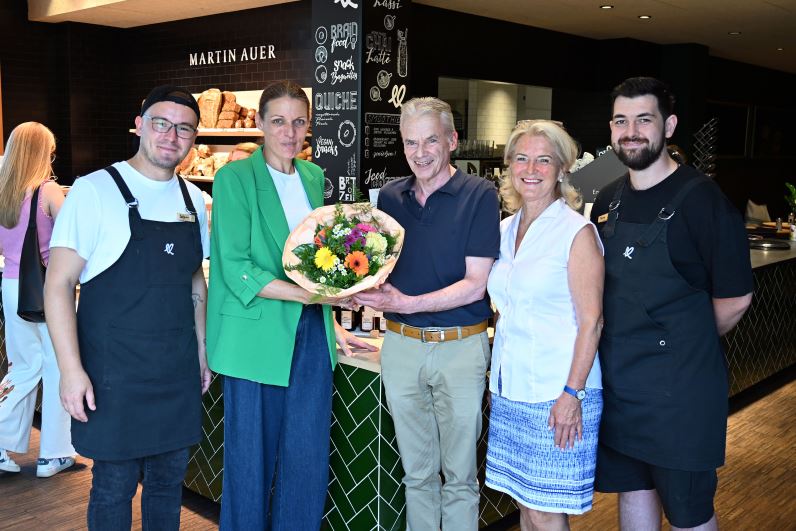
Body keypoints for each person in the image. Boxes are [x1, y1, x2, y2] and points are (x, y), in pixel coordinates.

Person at [207, 79, 373, 530]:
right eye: (278, 121)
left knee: (307, 455)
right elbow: (235, 266)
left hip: (310, 333)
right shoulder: (234, 178)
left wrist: (328, 317)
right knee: (250, 462)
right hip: (253, 335)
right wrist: (316, 296)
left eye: (299, 122)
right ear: (260, 123)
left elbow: (314, 264)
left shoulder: (314, 177)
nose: (289, 131)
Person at [45, 85, 212, 530]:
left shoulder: (194, 200)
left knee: (167, 484)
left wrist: (201, 348)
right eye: (161, 123)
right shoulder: (95, 190)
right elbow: (58, 284)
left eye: (184, 128)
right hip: (112, 374)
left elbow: (194, 277)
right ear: (139, 125)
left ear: (193, 139)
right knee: (113, 487)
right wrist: (70, 369)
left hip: (174, 371)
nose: (170, 136)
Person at [590, 77, 753, 531]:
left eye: (645, 119)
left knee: (687, 509)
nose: (632, 131)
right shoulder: (607, 199)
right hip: (622, 385)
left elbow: (736, 299)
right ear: (610, 129)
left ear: (670, 125)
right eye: (622, 121)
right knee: (633, 491)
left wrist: (684, 340)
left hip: (680, 393)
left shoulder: (702, 200)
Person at [354, 97, 500, 530]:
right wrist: (352, 291)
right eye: (410, 142)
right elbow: (378, 269)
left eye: (430, 140)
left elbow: (476, 283)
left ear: (452, 140)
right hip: (400, 347)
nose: (420, 153)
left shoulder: (480, 195)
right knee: (416, 476)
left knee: (459, 478)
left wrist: (406, 304)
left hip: (461, 347)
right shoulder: (390, 198)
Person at [485, 120, 605, 530]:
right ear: (509, 167)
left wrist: (572, 394)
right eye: (521, 158)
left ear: (562, 169)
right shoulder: (502, 230)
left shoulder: (577, 232)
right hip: (510, 387)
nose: (530, 168)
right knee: (526, 505)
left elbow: (592, 322)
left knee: (546, 508)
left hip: (558, 392)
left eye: (543, 159)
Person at [0, 122, 75, 477]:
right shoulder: (49, 192)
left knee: (22, 366)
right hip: (47, 288)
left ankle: (3, 447)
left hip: (11, 285)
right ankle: (53, 454)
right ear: (43, 152)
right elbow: (74, 239)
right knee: (57, 365)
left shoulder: (3, 192)